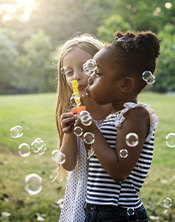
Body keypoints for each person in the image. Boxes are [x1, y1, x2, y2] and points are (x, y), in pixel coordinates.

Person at [74, 31, 160, 221]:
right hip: (97, 210)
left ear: (125, 85)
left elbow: (119, 171)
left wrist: (91, 131)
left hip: (118, 213)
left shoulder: (136, 115)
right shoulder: (115, 117)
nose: (90, 78)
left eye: (98, 73)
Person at [54, 34, 112, 222]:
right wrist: (69, 134)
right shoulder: (72, 112)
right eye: (69, 72)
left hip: (109, 203)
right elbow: (68, 164)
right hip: (78, 201)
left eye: (84, 67)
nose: (76, 76)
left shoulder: (116, 112)